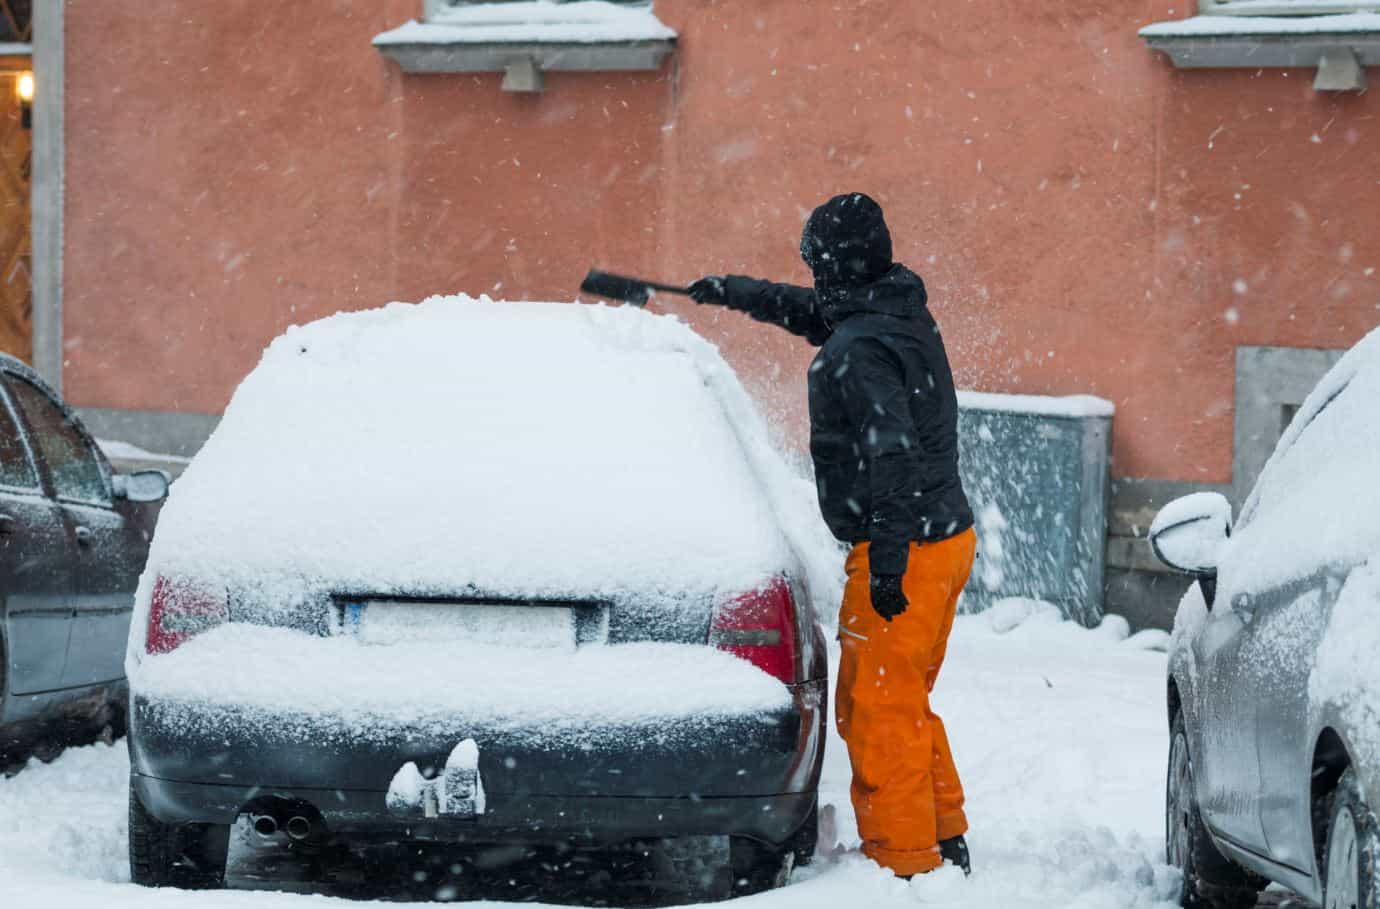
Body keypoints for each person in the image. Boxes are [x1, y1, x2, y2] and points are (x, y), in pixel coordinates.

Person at [688, 193, 977, 879]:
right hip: (940, 537)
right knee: (898, 694)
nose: (812, 275)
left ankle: (906, 864)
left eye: (815, 262)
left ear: (836, 265)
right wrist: (736, 293)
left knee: (874, 707)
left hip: (905, 545)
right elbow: (813, 313)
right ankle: (941, 829)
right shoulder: (893, 309)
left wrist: (888, 564)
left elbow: (894, 452)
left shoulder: (860, 349)